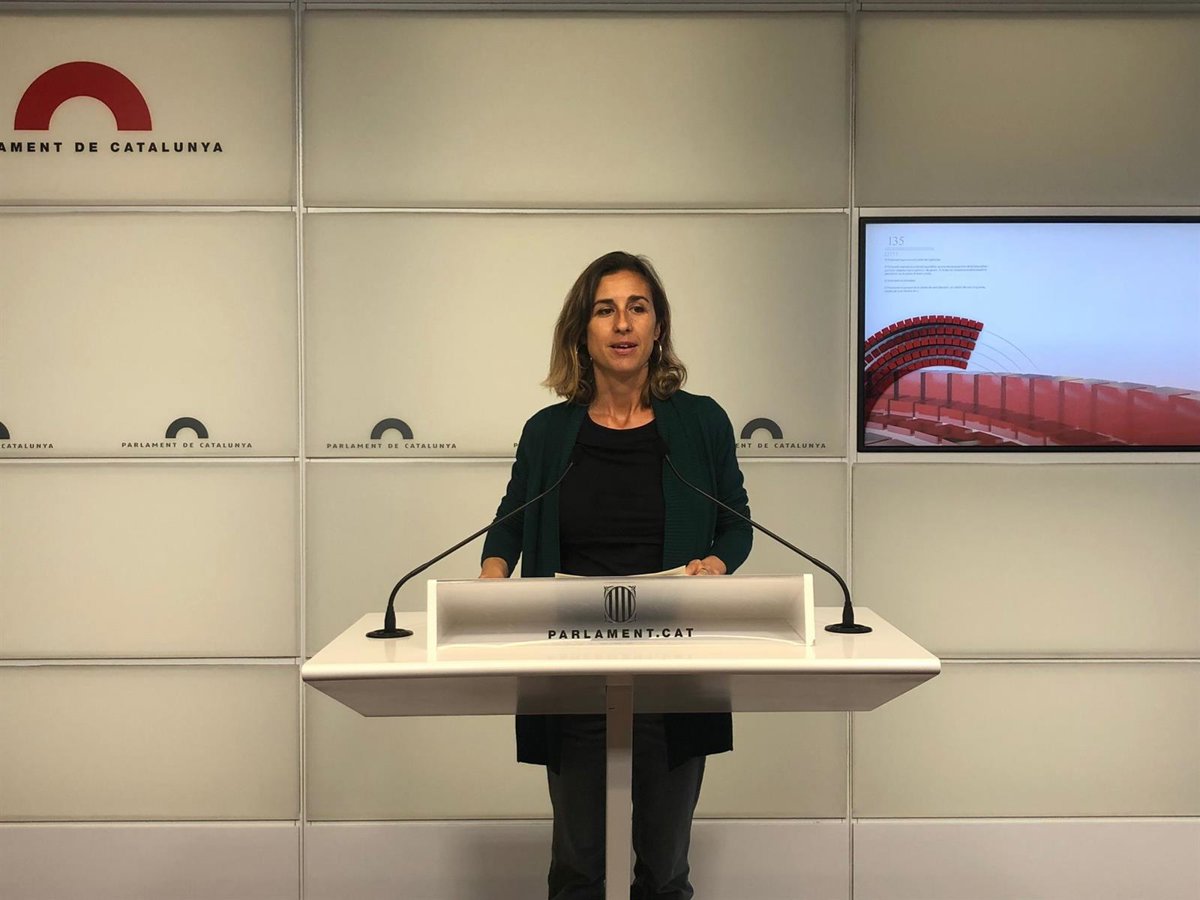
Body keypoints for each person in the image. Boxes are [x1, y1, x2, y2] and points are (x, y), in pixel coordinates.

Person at [479, 250, 752, 900]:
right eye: (605, 310)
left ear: (658, 326)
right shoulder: (548, 433)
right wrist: (491, 578)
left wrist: (715, 564)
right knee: (577, 869)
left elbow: (736, 524)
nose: (623, 323)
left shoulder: (701, 423)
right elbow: (509, 525)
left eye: (637, 308)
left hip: (675, 668)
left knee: (664, 871)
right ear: (583, 331)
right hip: (571, 668)